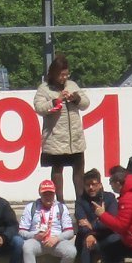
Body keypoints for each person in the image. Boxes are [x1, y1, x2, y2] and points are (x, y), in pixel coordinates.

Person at [32, 54, 91, 200]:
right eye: (61, 74)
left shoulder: (72, 85)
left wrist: (76, 98)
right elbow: (39, 108)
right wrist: (55, 101)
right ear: (54, 73)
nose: (64, 77)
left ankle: (81, 202)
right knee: (57, 170)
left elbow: (86, 103)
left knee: (79, 170)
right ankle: (59, 203)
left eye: (66, 74)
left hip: (75, 139)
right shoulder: (44, 89)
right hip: (56, 138)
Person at [73, 169, 132, 263]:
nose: (91, 188)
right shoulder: (80, 201)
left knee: (114, 242)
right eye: (87, 185)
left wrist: (92, 227)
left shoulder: (109, 198)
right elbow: (81, 224)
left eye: (94, 184)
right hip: (88, 236)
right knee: (87, 244)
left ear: (100, 184)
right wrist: (92, 230)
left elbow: (111, 222)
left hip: (108, 234)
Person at [20, 180, 77, 263]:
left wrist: (57, 238)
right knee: (27, 247)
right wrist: (35, 236)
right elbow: (21, 231)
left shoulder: (61, 207)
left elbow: (70, 232)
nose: (48, 197)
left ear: (54, 193)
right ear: (40, 194)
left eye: (50, 194)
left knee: (71, 251)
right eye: (45, 194)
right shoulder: (31, 207)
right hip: (37, 241)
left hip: (56, 241)